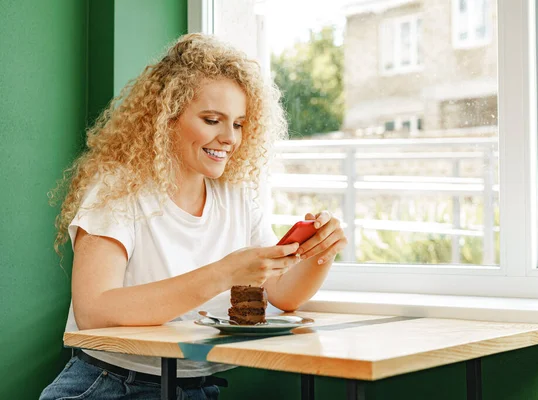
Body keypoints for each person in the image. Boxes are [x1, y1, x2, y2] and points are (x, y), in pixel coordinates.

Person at [40, 33, 347, 400]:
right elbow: (94, 310)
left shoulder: (235, 197)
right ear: (166, 118)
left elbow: (282, 294)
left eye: (238, 124)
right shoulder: (118, 189)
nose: (229, 138)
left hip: (196, 389)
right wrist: (224, 274)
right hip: (111, 385)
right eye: (212, 120)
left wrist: (319, 253)